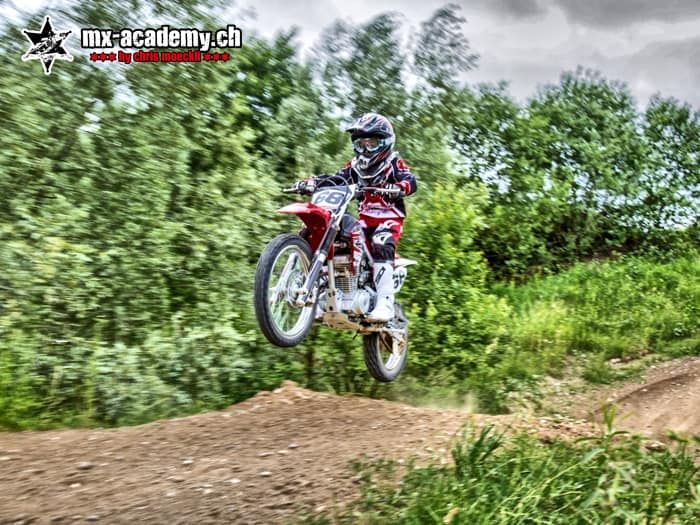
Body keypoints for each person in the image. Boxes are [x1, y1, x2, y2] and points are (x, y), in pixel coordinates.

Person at [296, 112, 417, 322]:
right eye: (361, 143)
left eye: (372, 143)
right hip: (363, 220)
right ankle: (316, 293)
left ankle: (385, 303)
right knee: (331, 234)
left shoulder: (394, 164)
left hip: (387, 219)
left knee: (381, 239)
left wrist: (399, 187)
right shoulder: (354, 167)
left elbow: (410, 180)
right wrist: (313, 182)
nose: (366, 149)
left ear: (385, 142)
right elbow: (336, 179)